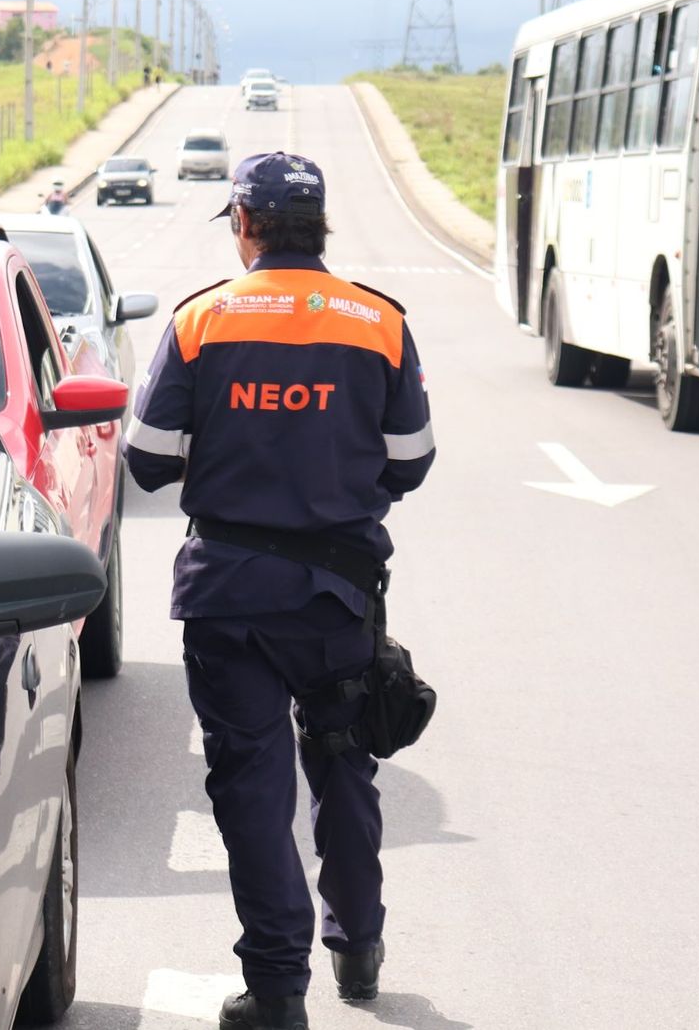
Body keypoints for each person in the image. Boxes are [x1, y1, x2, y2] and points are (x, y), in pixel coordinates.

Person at [123, 152, 435, 1030]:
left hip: (230, 595)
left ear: (244, 224)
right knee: (343, 757)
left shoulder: (202, 320)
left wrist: (237, 447)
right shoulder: (377, 321)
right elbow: (411, 461)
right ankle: (360, 943)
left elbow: (146, 459)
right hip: (337, 591)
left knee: (252, 783)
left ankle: (276, 989)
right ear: (320, 223)